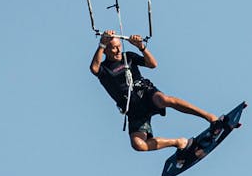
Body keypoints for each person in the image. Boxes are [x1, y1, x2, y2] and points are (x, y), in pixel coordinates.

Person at [90, 31, 221, 156]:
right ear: (105, 50)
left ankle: (210, 117)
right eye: (114, 48)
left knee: (164, 100)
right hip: (133, 109)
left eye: (119, 46)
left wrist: (141, 47)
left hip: (145, 93)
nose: (118, 50)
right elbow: (94, 69)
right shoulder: (104, 69)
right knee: (138, 145)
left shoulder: (128, 56)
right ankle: (179, 142)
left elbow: (153, 64)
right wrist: (101, 44)